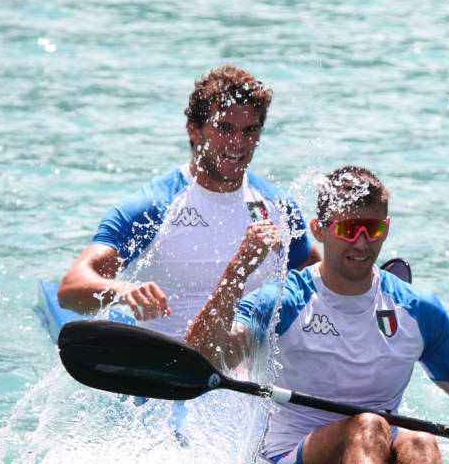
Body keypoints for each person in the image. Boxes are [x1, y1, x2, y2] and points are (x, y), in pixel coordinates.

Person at [185, 166, 449, 464]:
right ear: (320, 231)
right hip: (289, 459)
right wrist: (237, 270)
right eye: (348, 229)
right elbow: (201, 358)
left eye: (372, 229)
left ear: (386, 229)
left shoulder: (417, 310)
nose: (362, 243)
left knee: (421, 444)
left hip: (376, 443)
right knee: (367, 426)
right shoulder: (284, 301)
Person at [57, 65, 321, 339]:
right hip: (167, 368)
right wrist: (123, 290)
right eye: (224, 128)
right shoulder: (154, 208)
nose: (238, 143)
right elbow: (70, 289)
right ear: (194, 131)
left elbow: (317, 277)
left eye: (250, 131)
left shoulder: (277, 207)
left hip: (244, 373)